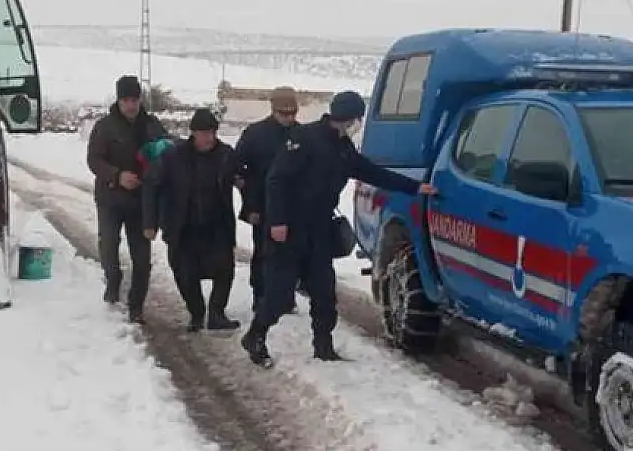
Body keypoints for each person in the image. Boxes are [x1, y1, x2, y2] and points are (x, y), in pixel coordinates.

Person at [240, 91, 437, 367]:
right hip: (290, 228)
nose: (358, 123)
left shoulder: (343, 147)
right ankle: (255, 336)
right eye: (357, 117)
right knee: (278, 294)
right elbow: (276, 180)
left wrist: (415, 187)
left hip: (319, 228)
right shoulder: (304, 139)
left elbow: (371, 172)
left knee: (324, 293)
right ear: (347, 117)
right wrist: (277, 222)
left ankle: (323, 347)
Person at [143, 108, 242, 332]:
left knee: (224, 269)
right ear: (193, 133)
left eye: (211, 132)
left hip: (217, 225)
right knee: (185, 274)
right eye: (202, 132)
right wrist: (150, 222)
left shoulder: (226, 154)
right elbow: (151, 185)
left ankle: (217, 313)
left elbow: (242, 176)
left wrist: (245, 191)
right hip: (182, 226)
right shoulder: (172, 157)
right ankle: (197, 312)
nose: (207, 137)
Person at [86, 75, 166, 324]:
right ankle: (113, 280)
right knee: (109, 246)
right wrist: (117, 176)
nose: (131, 105)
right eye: (126, 100)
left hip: (141, 202)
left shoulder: (151, 125)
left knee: (142, 257)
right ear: (118, 101)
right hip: (110, 198)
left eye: (134, 100)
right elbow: (94, 160)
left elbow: (166, 150)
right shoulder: (105, 127)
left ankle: (136, 305)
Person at [235, 86, 301, 312]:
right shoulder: (255, 134)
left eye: (292, 113)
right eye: (284, 113)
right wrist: (249, 203)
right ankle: (260, 295)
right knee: (264, 252)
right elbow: (237, 167)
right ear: (273, 110)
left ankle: (287, 296)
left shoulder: (301, 134)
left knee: (291, 253)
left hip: (293, 205)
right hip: (261, 205)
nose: (288, 118)